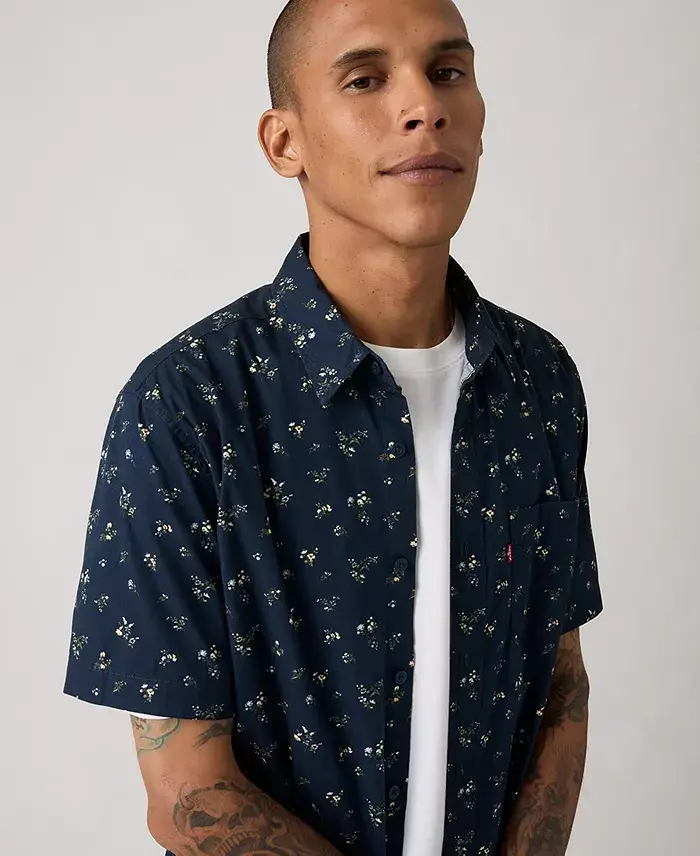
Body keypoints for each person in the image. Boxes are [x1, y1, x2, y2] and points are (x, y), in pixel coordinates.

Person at [63, 0, 604, 854]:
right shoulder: (188, 404)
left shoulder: (539, 383)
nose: (423, 105)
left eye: (448, 72)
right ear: (285, 143)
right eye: (365, 80)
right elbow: (186, 794)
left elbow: (561, 685)